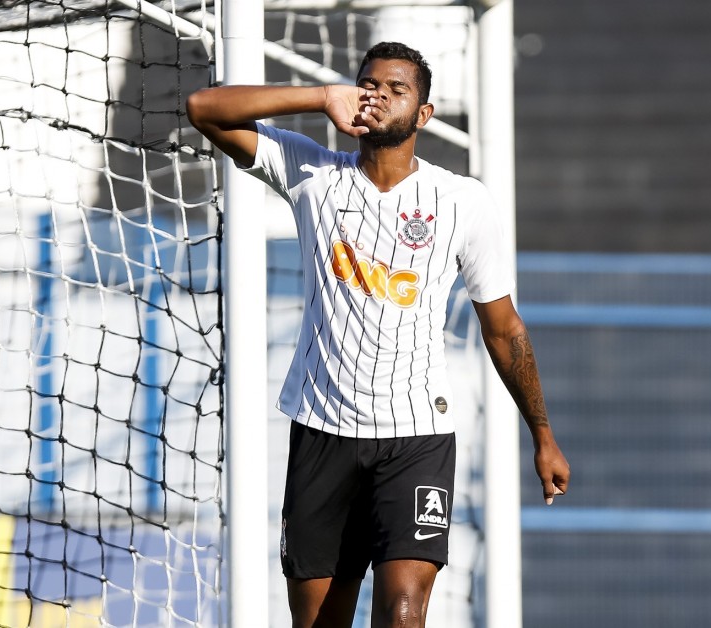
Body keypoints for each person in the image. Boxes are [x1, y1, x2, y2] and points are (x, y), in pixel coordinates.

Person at [186, 41, 570, 628]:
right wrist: (319, 97)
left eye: (398, 90)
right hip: (322, 432)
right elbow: (204, 107)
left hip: (416, 437)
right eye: (370, 85)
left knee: (404, 611)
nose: (380, 96)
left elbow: (503, 327)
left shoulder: (462, 201)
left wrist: (542, 434)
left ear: (424, 115)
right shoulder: (311, 171)